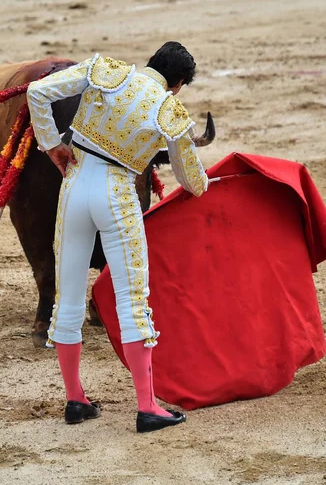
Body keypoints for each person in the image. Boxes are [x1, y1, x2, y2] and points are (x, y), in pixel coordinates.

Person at [27, 41, 210, 433]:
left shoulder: (107, 70)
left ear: (151, 62)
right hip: (118, 195)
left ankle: (75, 400)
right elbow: (192, 182)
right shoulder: (168, 108)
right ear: (177, 83)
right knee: (132, 299)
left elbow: (36, 91)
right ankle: (147, 407)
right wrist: (208, 184)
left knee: (69, 296)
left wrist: (51, 144)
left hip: (74, 184)